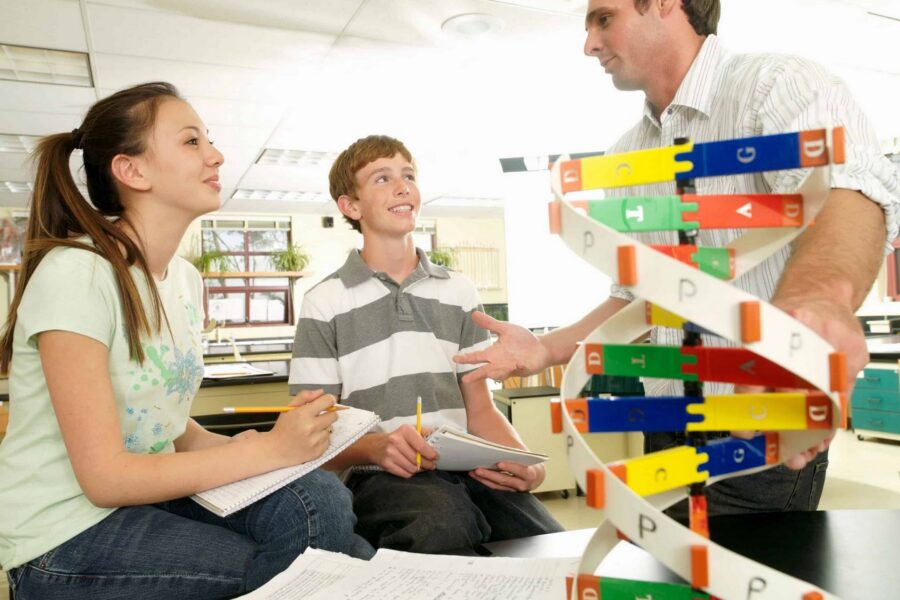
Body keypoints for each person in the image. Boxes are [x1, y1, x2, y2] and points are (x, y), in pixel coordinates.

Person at [455, 0, 900, 520]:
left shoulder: (774, 84)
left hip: (753, 426)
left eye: (603, 18)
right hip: (665, 428)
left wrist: (817, 298)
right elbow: (635, 305)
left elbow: (850, 188)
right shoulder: (629, 152)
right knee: (669, 576)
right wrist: (544, 350)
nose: (589, 44)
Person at [0, 82, 368, 600]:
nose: (216, 155)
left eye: (208, 141)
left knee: (321, 499)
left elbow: (167, 426)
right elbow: (105, 478)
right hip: (62, 533)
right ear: (132, 171)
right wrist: (267, 454)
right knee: (310, 559)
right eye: (192, 141)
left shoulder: (185, 279)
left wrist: (268, 444)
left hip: (142, 501)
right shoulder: (77, 274)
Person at [289, 134, 563, 554]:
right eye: (382, 178)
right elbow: (310, 431)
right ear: (351, 206)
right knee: (443, 525)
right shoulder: (325, 301)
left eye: (409, 175)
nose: (403, 187)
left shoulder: (459, 291)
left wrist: (527, 463)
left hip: (463, 466)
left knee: (545, 544)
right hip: (376, 474)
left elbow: (480, 407)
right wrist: (377, 449)